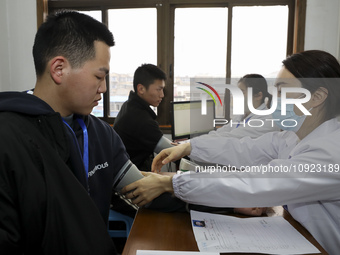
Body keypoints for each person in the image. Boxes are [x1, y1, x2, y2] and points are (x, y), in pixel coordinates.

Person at [122, 50, 340, 254]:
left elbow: (255, 180)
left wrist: (171, 183)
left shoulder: (330, 152)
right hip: (302, 238)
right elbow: (243, 148)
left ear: (317, 96)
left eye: (283, 90)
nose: (275, 99)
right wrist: (190, 147)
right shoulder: (292, 137)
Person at [0, 10, 137, 254]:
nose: (104, 88)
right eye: (99, 76)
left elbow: (138, 186)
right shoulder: (8, 140)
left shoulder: (101, 134)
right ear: (59, 69)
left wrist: (174, 184)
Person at [114, 64, 173, 171]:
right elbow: (171, 151)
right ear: (141, 89)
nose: (162, 95)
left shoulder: (129, 105)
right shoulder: (141, 119)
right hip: (133, 176)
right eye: (159, 90)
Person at [208, 73, 280, 138]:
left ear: (258, 95)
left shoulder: (267, 120)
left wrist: (200, 141)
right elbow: (219, 132)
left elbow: (229, 137)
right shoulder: (240, 117)